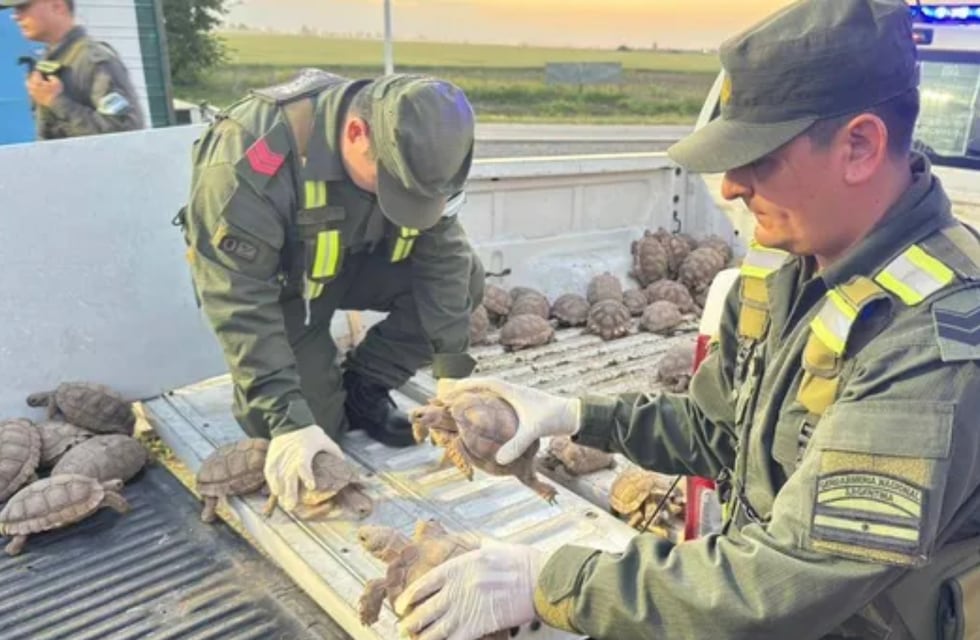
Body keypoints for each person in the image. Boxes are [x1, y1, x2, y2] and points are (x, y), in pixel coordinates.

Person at [392, 1, 980, 639]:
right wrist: (575, 415)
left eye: (757, 155)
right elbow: (718, 428)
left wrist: (549, 581)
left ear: (860, 146)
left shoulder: (931, 334)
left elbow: (786, 583)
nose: (728, 186)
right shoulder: (797, 269)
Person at [176, 69, 484, 515]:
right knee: (313, 437)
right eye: (393, 188)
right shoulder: (251, 152)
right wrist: (288, 419)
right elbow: (238, 298)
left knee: (466, 279)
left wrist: (453, 369)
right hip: (281, 294)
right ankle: (308, 399)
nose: (400, 204)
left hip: (352, 264)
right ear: (357, 133)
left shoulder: (429, 155)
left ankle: (364, 386)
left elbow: (444, 257)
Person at [1, 0, 144, 139]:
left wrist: (56, 102)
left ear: (57, 6)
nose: (15, 16)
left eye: (23, 7)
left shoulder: (92, 60)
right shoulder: (52, 60)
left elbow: (125, 133)